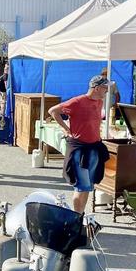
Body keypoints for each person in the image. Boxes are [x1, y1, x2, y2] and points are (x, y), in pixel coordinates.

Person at [48, 75, 111, 213]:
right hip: (80, 149)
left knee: (89, 185)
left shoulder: (99, 102)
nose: (107, 91)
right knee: (81, 185)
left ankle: (80, 215)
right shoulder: (77, 101)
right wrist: (66, 128)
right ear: (97, 88)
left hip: (94, 147)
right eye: (105, 88)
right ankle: (77, 217)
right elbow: (53, 111)